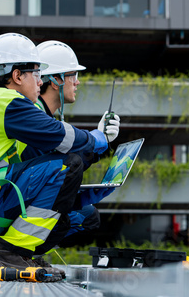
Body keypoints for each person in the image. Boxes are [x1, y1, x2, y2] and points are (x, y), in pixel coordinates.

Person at [0, 32, 116, 281]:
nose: (40, 82)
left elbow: (38, 162)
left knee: (68, 175)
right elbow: (59, 137)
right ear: (17, 76)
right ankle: (10, 254)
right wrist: (98, 139)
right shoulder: (8, 101)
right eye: (37, 74)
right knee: (67, 166)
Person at [18, 40, 120, 258]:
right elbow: (52, 170)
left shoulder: (41, 114)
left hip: (21, 196)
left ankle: (25, 251)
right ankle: (19, 252)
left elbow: (55, 166)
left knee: (88, 214)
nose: (78, 82)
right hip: (15, 200)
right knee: (71, 214)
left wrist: (97, 145)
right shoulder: (35, 116)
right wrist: (98, 139)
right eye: (73, 75)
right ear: (56, 80)